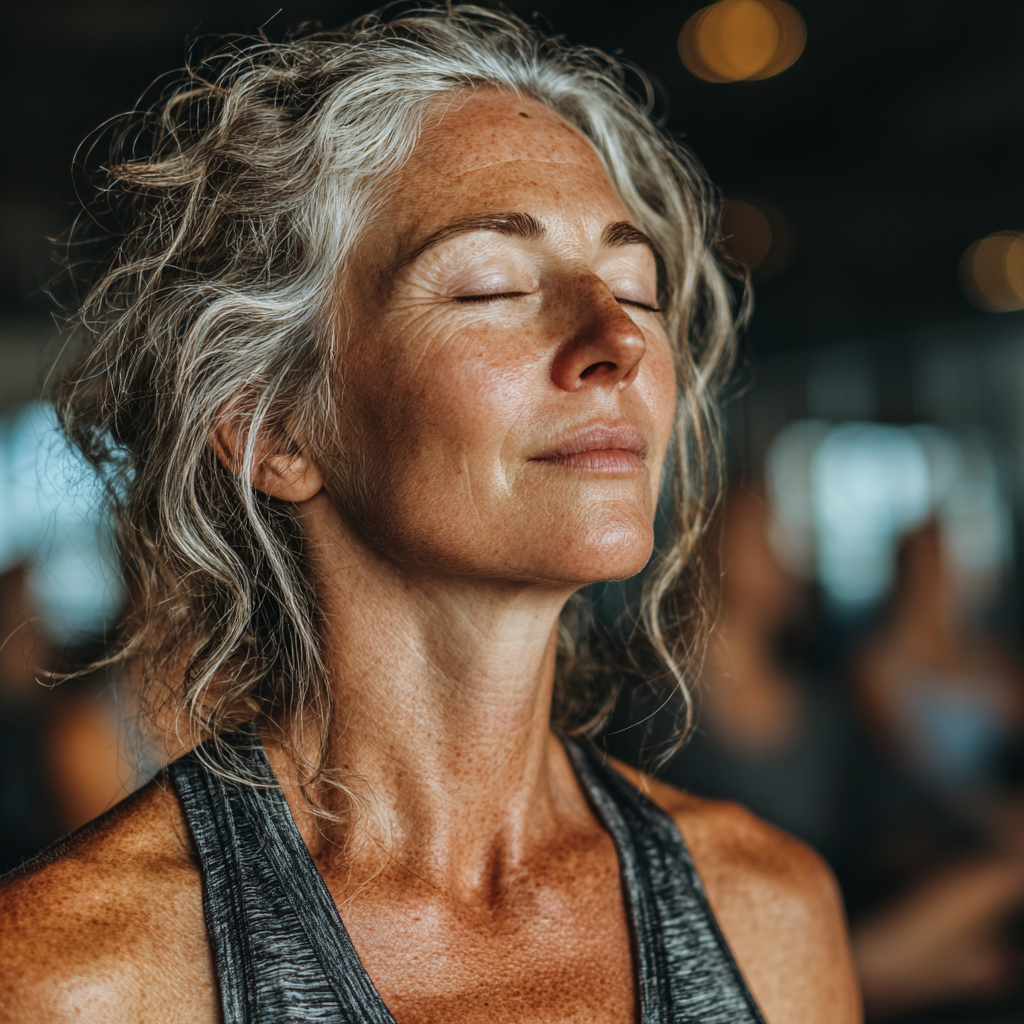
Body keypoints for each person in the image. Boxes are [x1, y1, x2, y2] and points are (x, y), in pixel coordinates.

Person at [0, 8, 860, 1022]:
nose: (617, 342)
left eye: (635, 287)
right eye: (491, 286)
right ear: (276, 429)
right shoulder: (76, 977)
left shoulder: (768, 911)